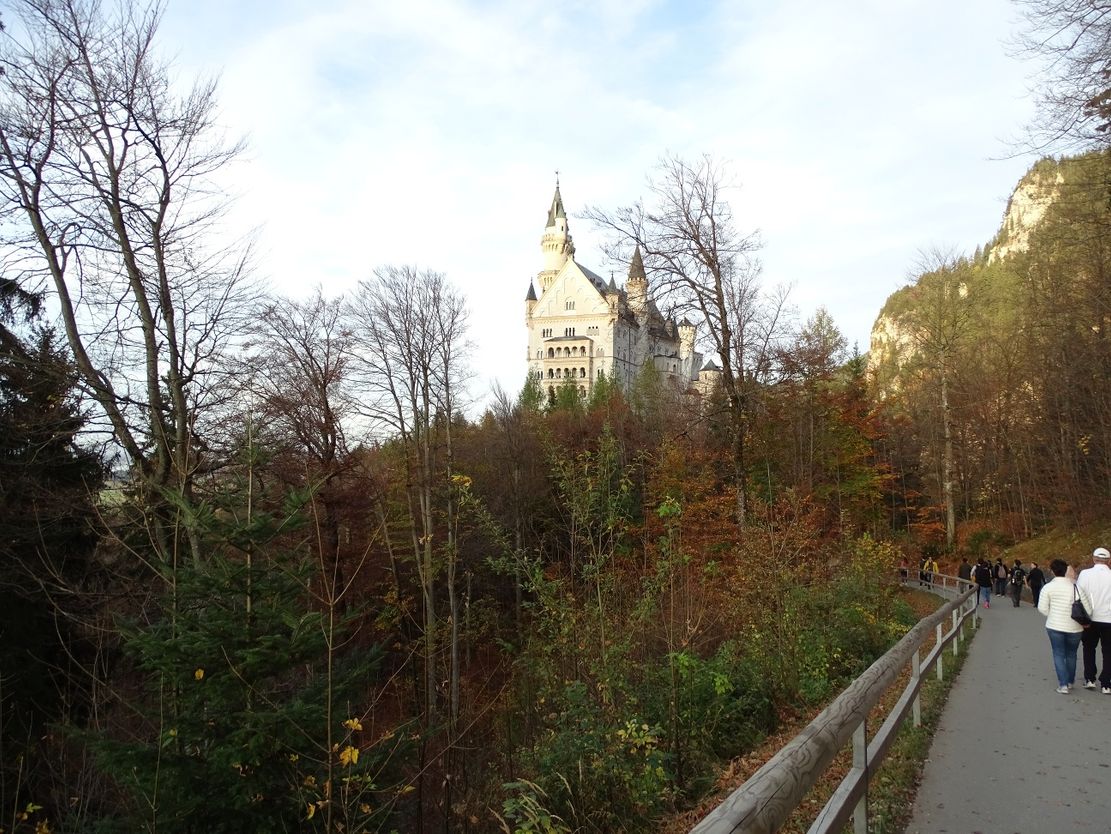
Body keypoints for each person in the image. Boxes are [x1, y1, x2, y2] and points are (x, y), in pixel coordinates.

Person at [1038, 558, 1086, 693]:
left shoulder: (1048, 587)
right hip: (1075, 627)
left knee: (1058, 653)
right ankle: (1070, 681)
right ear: (1066, 570)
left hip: (1055, 626)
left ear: (1052, 571)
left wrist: (1052, 615)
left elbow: (1042, 608)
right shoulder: (1076, 587)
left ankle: (1063, 685)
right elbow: (1087, 607)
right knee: (1071, 654)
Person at [1076, 546, 1111, 693]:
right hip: (1109, 618)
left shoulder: (1085, 574)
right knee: (1108, 651)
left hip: (1090, 618)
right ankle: (1106, 684)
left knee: (1089, 648)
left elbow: (1078, 594)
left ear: (1094, 559)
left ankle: (1090, 679)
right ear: (1108, 560)